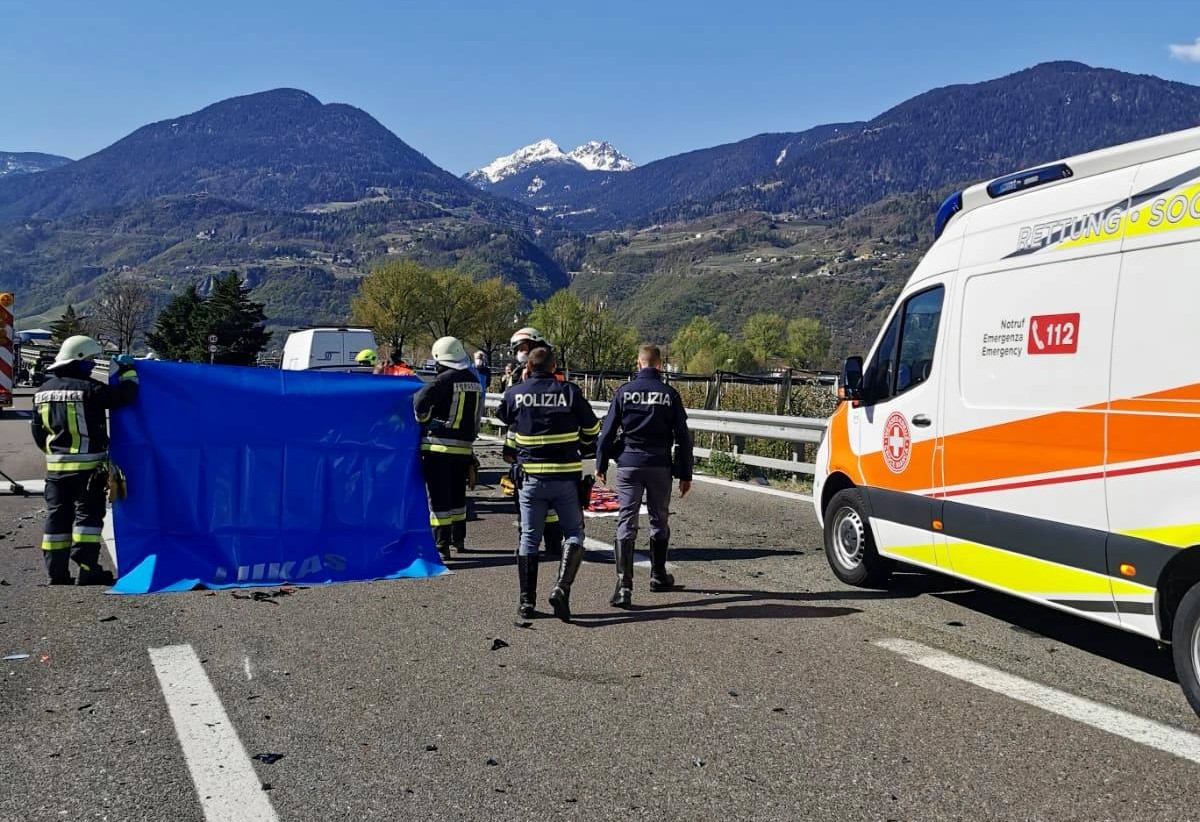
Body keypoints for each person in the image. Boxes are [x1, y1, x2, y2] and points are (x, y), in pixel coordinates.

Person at [496, 345, 600, 621]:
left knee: (529, 538)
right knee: (574, 534)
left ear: (528, 367)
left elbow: (503, 417)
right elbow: (592, 429)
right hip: (565, 478)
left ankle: (526, 602)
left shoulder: (516, 393)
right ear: (554, 368)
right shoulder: (569, 392)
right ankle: (561, 588)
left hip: (531, 478)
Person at [31, 336, 139, 585]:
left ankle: (56, 572)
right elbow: (126, 396)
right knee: (87, 519)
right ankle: (88, 568)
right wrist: (128, 371)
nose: (91, 366)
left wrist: (56, 454)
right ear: (78, 361)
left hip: (56, 470)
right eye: (90, 361)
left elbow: (38, 433)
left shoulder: (42, 392)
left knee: (57, 517)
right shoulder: (90, 389)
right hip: (89, 470)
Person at [596, 343, 693, 608]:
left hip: (629, 464)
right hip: (660, 465)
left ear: (638, 364)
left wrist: (601, 463)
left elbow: (607, 431)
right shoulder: (669, 394)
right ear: (659, 365)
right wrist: (685, 473)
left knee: (626, 520)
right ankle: (658, 575)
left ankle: (624, 586)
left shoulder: (624, 392)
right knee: (658, 518)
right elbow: (683, 437)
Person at [414, 336, 482, 561]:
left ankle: (441, 544)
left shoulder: (443, 380)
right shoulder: (474, 380)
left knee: (439, 499)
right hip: (463, 450)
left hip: (439, 449)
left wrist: (426, 420)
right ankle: (458, 539)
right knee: (458, 497)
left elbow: (420, 403)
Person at [506, 327, 564, 557]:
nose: (520, 353)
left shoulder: (550, 375)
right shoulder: (520, 373)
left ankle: (546, 544)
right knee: (529, 499)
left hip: (540, 447)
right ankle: (534, 544)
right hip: (530, 445)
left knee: (539, 500)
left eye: (523, 348)